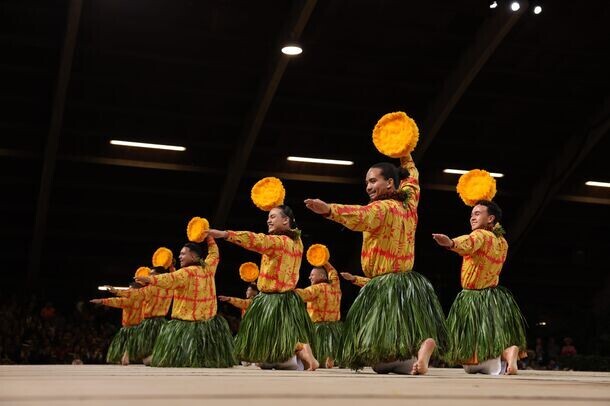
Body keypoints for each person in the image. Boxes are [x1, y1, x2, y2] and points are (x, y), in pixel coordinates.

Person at [305, 153, 447, 374]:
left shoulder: (380, 209)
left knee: (380, 365)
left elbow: (358, 215)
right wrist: (405, 154)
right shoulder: (409, 202)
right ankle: (421, 346)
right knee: (400, 332)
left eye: (373, 181)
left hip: (384, 283)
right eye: (367, 183)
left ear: (389, 183)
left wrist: (329, 210)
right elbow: (413, 178)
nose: (368, 187)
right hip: (408, 282)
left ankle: (417, 351)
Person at [209, 205, 318, 371]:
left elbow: (256, 240)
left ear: (286, 220)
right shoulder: (297, 242)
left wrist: (225, 234)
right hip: (288, 298)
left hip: (273, 298)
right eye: (269, 217)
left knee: (273, 338)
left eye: (273, 216)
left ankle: (301, 353)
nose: (268, 220)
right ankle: (305, 354)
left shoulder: (279, 241)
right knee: (286, 332)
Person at [432, 200, 527, 375]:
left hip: (475, 297)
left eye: (477, 213)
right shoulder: (502, 241)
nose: (472, 217)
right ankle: (508, 352)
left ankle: (502, 357)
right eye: (471, 214)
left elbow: (468, 242)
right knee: (489, 337)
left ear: (490, 218)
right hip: (494, 296)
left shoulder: (481, 235)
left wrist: (451, 243)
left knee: (471, 364)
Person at [135, 238, 236, 368]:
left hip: (186, 327)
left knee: (151, 361)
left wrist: (149, 279)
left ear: (194, 256)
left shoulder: (185, 273)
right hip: (209, 325)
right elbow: (214, 254)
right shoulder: (208, 268)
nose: (180, 256)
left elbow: (168, 279)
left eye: (183, 254)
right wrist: (209, 237)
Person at [111, 265, 174, 365]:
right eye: (149, 275)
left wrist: (117, 291)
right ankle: (131, 355)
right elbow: (134, 294)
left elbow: (134, 294)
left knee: (150, 355)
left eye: (152, 274)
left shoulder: (152, 288)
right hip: (154, 322)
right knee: (145, 349)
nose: (149, 277)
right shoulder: (170, 288)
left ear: (159, 276)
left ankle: (140, 356)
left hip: (154, 321)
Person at [295, 262, 342, 368]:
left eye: (312, 275)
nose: (309, 277)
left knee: (301, 346)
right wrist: (325, 261)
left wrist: (287, 290)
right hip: (334, 330)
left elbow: (303, 294)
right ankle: (330, 355)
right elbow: (333, 273)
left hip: (317, 329)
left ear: (321, 276)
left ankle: (318, 360)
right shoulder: (336, 287)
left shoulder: (316, 289)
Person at [90, 282, 145, 365]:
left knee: (127, 352)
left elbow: (116, 301)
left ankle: (127, 356)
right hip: (140, 328)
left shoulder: (129, 300)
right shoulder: (145, 299)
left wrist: (102, 301)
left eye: (130, 289)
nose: (128, 291)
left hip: (131, 328)